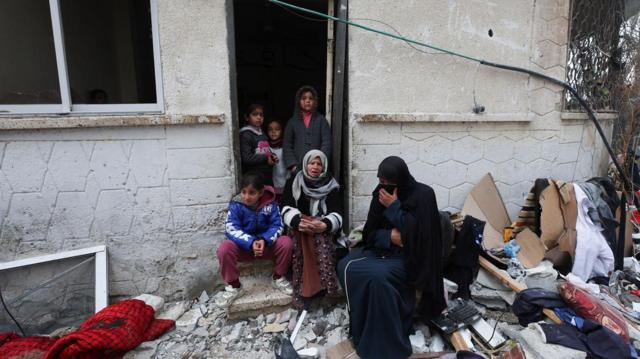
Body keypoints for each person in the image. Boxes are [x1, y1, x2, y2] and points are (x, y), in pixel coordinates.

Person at [337, 156, 446, 359]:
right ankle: (361, 325)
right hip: (383, 250)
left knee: (377, 278)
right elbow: (369, 233)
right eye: (381, 181)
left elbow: (421, 238)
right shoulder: (380, 194)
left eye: (388, 182)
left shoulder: (424, 195)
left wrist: (395, 207)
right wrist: (389, 236)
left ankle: (384, 344)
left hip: (411, 258)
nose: (383, 186)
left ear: (401, 178)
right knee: (345, 265)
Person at [215, 172, 293, 308]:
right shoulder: (236, 205)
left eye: (252, 193)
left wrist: (264, 240)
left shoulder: (271, 204)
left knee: (286, 242)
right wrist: (251, 242)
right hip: (245, 248)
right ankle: (235, 286)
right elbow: (231, 228)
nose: (246, 197)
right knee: (224, 248)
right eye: (244, 192)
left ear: (261, 192)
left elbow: (278, 225)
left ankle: (278, 277)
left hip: (267, 246)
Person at [281, 150, 342, 307]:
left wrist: (325, 224)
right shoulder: (293, 182)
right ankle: (303, 289)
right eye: (311, 163)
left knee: (319, 238)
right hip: (299, 226)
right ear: (305, 164)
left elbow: (337, 213)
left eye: (319, 164)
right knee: (301, 238)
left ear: (324, 167)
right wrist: (297, 221)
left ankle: (322, 287)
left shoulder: (332, 186)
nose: (315, 167)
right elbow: (286, 207)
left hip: (320, 227)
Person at [282, 86, 332, 173]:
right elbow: (287, 145)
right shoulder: (292, 122)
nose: (307, 101)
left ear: (315, 102)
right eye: (303, 98)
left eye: (311, 98)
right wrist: (293, 166)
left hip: (317, 168)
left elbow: (327, 142)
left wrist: (320, 163)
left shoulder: (321, 120)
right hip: (298, 168)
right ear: (298, 101)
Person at [240, 104, 276, 186]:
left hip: (265, 175)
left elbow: (265, 150)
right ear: (247, 117)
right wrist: (266, 157)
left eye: (261, 115)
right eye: (255, 114)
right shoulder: (246, 135)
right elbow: (247, 158)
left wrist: (272, 156)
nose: (259, 117)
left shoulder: (261, 132)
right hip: (254, 177)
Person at [267, 119, 290, 202]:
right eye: (270, 129)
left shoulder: (286, 146)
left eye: (277, 129)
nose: (273, 132)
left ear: (282, 131)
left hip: (285, 179)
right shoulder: (265, 147)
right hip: (273, 181)